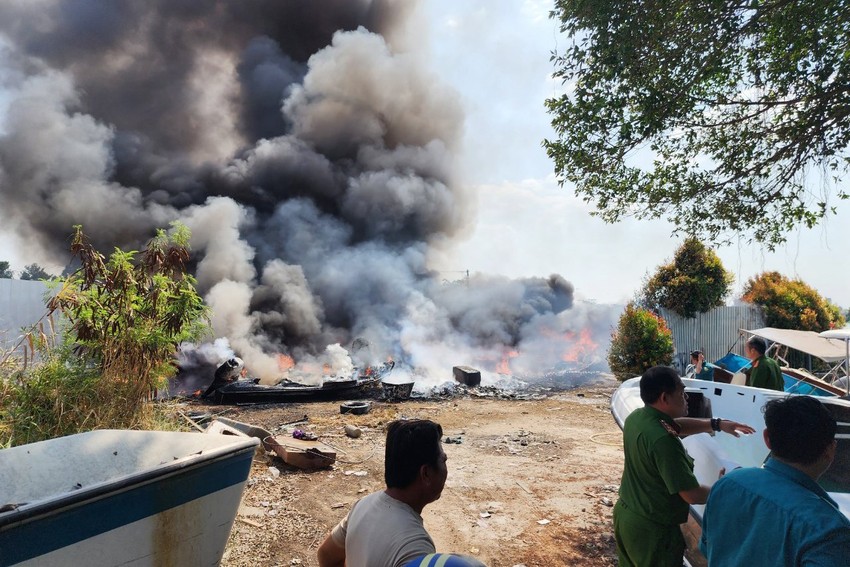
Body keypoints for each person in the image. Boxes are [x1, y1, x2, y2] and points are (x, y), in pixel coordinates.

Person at [614, 366, 755, 567]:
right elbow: (692, 494)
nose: (686, 398)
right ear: (665, 398)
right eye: (681, 393)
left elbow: (677, 426)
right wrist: (723, 487)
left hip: (627, 518)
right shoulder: (664, 441)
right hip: (653, 531)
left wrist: (717, 424)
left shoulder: (638, 418)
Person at [700, 396, 850, 565]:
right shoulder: (829, 531)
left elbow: (708, 549)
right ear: (831, 450)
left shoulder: (726, 484)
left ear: (767, 438)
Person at [317, 419, 451, 567]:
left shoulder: (363, 505)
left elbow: (326, 555)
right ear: (425, 474)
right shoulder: (415, 548)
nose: (445, 467)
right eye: (443, 460)